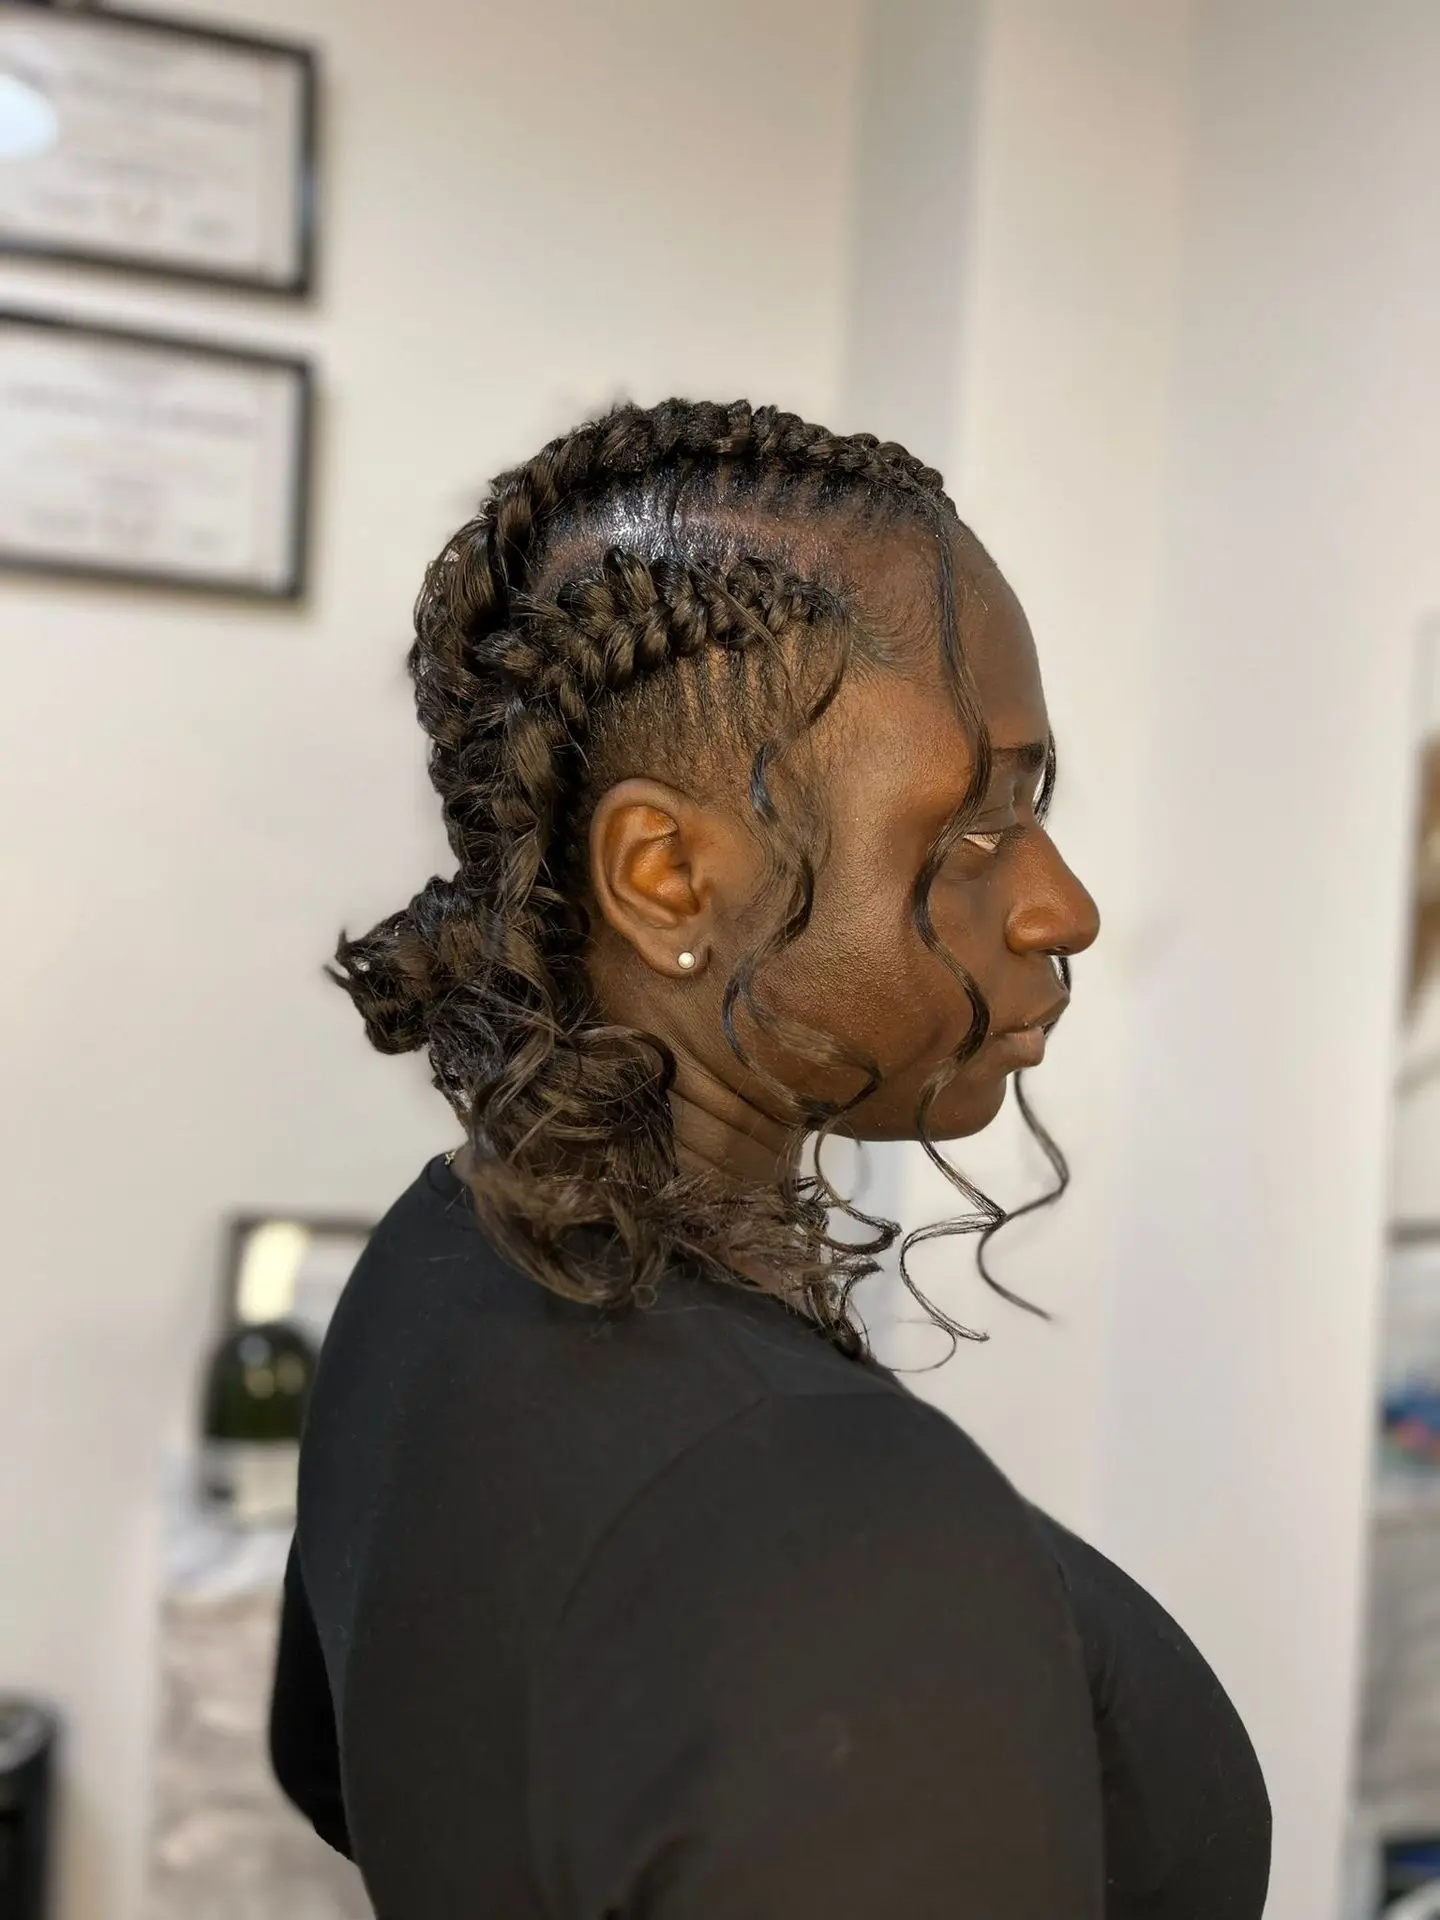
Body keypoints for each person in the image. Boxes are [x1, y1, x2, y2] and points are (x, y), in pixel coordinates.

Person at [269, 399, 1271, 1918]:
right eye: (973, 825)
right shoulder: (824, 1522)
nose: (1062, 906)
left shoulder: (434, 1270)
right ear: (667, 875)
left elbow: (338, 1769)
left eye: (1036, 803)